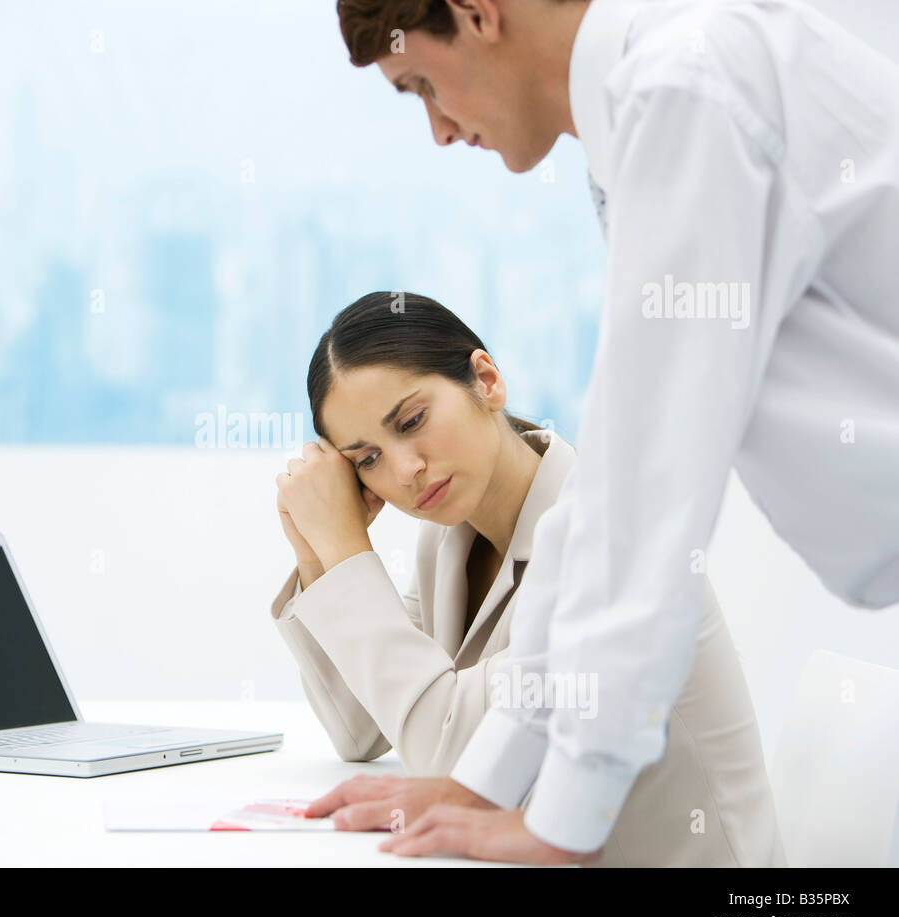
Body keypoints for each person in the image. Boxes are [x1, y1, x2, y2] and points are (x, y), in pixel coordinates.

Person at [309, 0, 899, 862]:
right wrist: (485, 782)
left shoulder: (684, 91)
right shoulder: (649, 113)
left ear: (478, 13)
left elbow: (652, 499)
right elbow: (614, 490)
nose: (438, 130)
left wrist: (559, 823)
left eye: (424, 85)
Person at [272, 290, 783, 865]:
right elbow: (363, 732)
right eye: (367, 460)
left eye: (412, 420)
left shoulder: (607, 538)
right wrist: (318, 555)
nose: (405, 469)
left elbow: (455, 762)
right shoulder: (447, 537)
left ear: (486, 380)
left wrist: (345, 552)